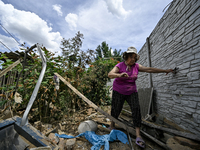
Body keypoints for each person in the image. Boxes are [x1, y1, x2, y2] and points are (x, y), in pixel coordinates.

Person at [108, 46, 173, 148]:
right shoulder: (119, 66)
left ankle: (138, 135)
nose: (132, 59)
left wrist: (165, 70)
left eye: (134, 57)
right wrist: (119, 75)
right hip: (118, 91)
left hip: (131, 92)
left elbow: (149, 69)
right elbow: (110, 74)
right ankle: (112, 126)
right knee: (116, 108)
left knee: (136, 110)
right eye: (130, 57)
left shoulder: (136, 66)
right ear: (126, 57)